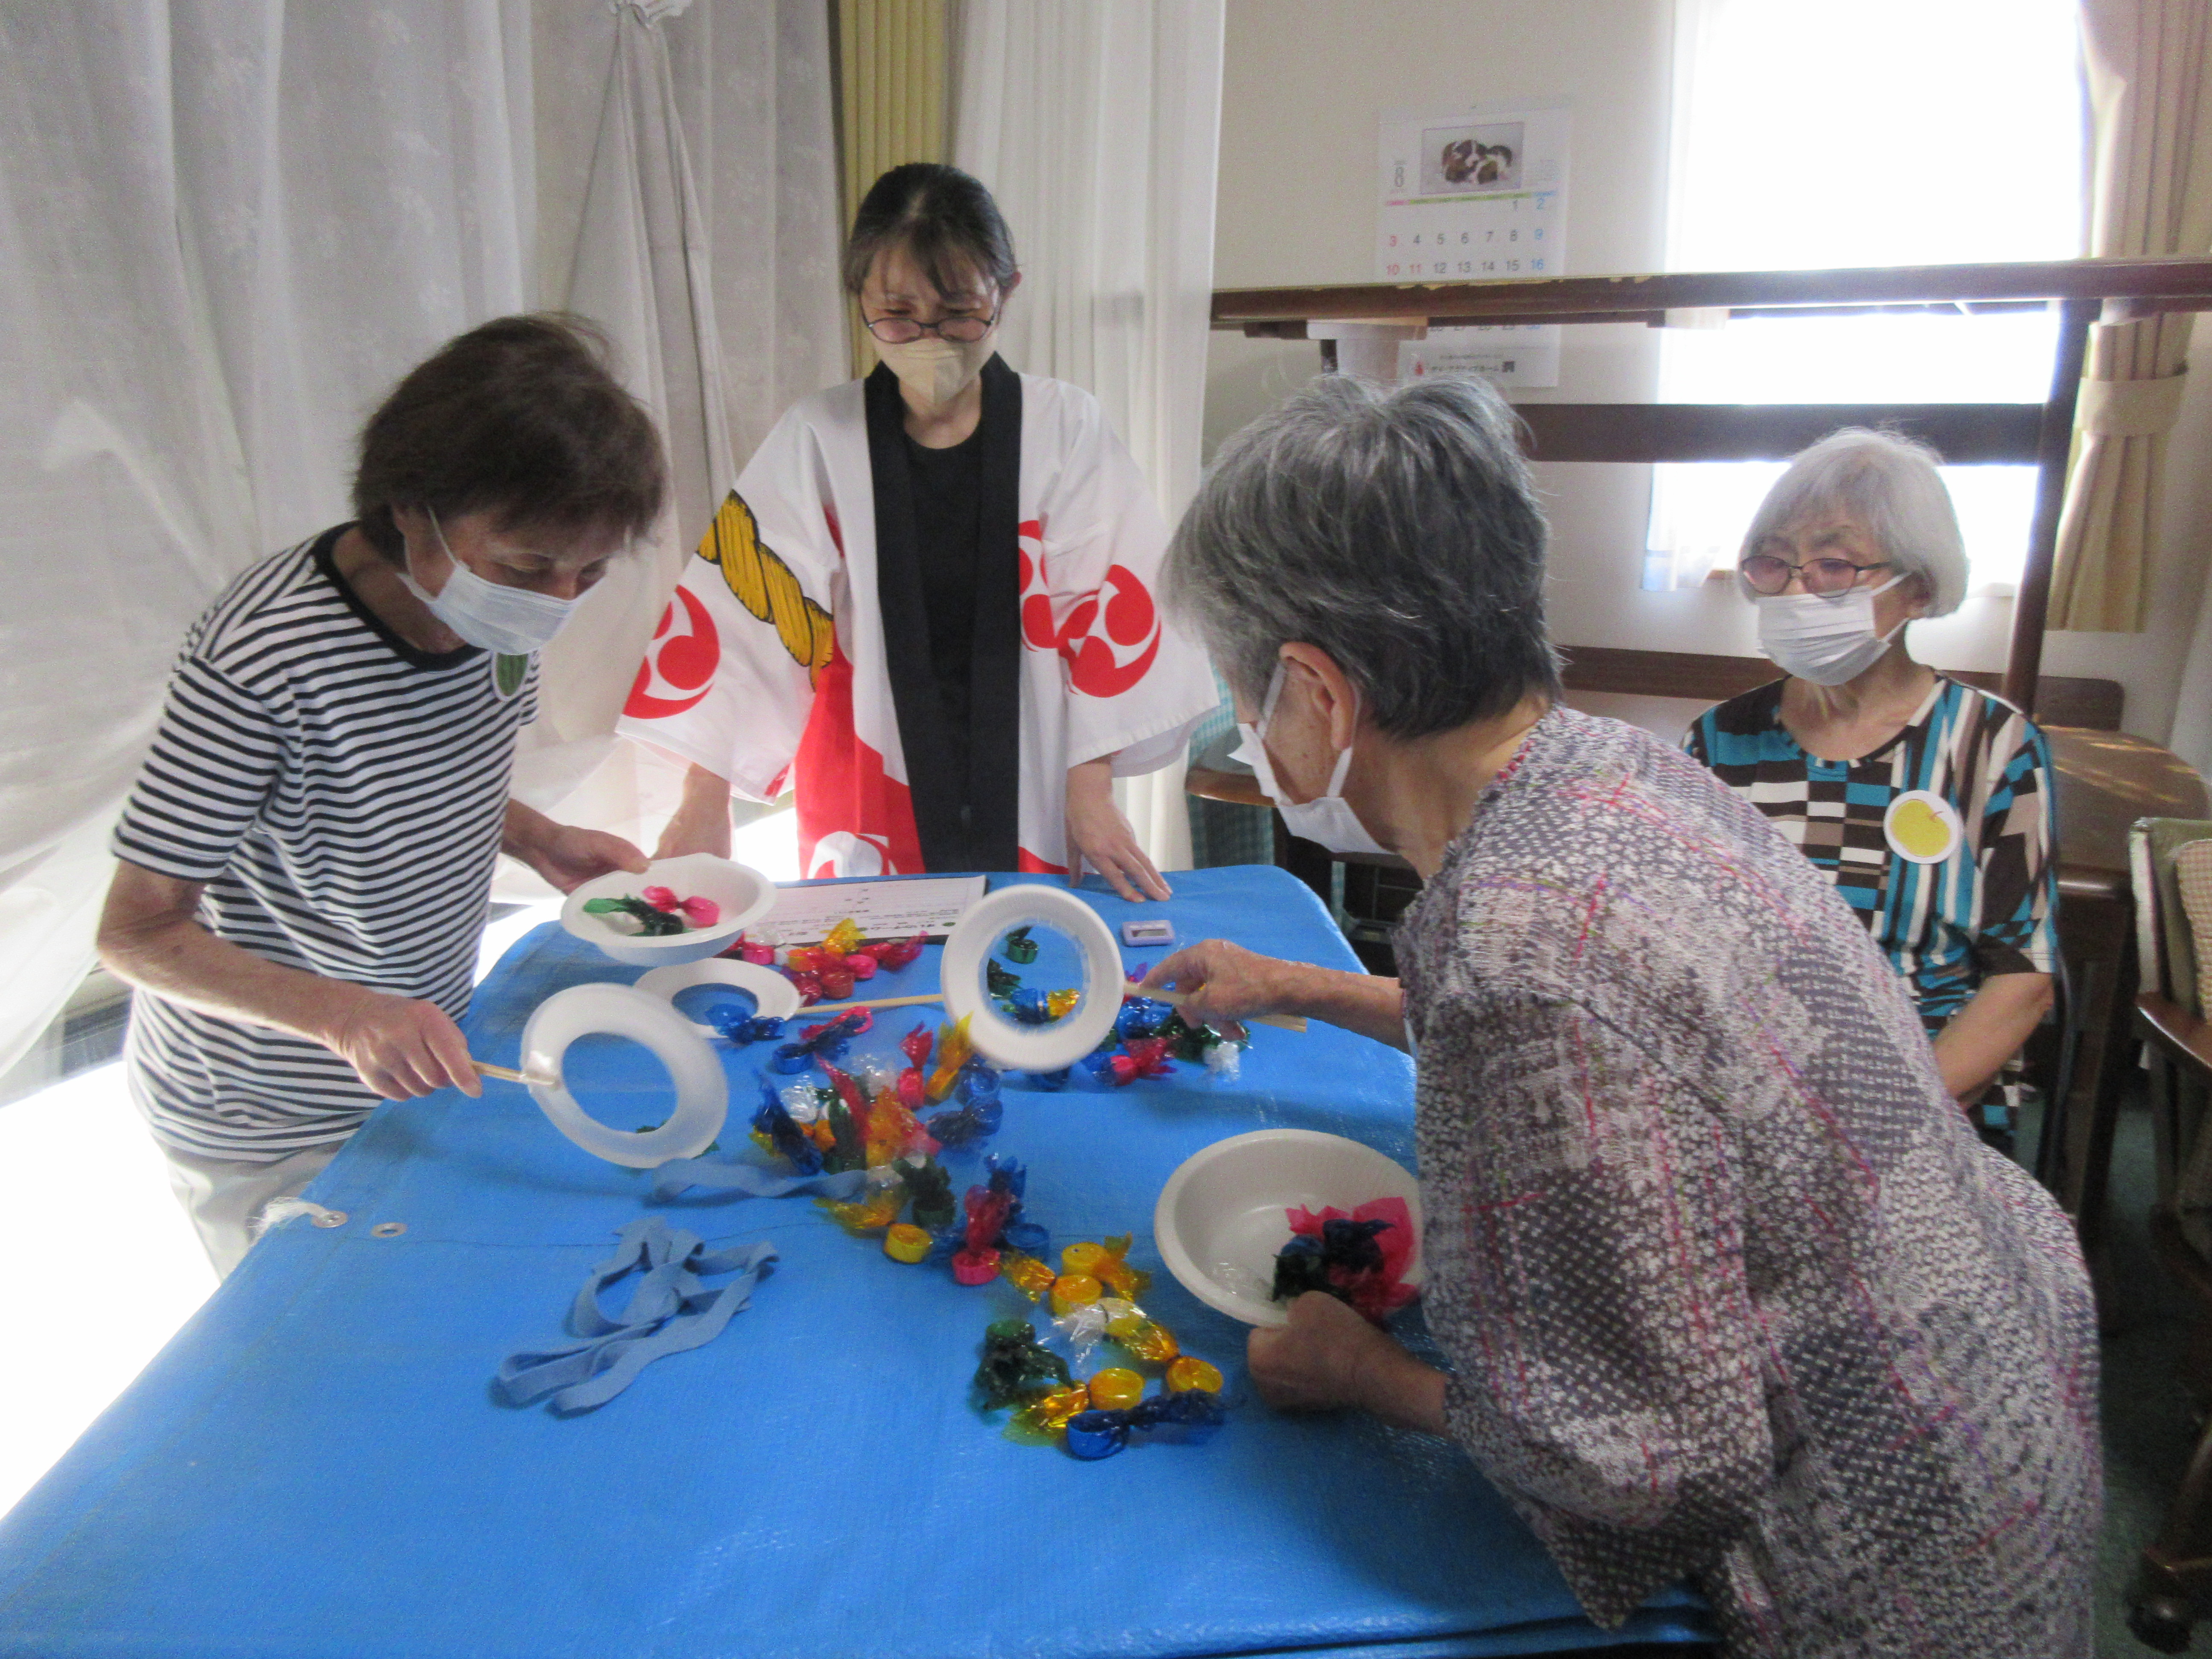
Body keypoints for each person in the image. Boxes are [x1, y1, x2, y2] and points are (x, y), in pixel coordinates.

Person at [1143, 375, 2098, 1655]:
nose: (1248, 737)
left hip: (1911, 1556)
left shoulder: (1521, 946)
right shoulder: (1617, 768)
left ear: (1317, 695)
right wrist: (1299, 986)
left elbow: (1646, 1465)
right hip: (2006, 1386)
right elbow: (1618, 1031)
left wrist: (1363, 1373)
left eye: (1244, 697)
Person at [96, 315, 662, 1276]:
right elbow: (135, 934)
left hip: (419, 1063)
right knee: (325, 1340)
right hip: (267, 1117)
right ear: (412, 509)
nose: (559, 601)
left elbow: (410, 767)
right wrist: (347, 1016)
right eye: (528, 567)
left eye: (591, 573)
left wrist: (537, 836)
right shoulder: (264, 657)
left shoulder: (501, 617)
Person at [620, 163, 1215, 898]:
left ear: (1007, 291)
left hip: (1031, 769)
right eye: (899, 314)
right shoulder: (819, 437)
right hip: (867, 771)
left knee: (1029, 949)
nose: (930, 339)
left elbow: (1108, 612)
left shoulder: (1065, 427)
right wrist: (703, 800)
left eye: (960, 312)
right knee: (868, 952)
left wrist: (1090, 791)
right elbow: (750, 620)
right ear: (860, 299)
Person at [1682, 430, 2058, 1152]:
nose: (1796, 589)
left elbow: (2023, 978)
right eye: (1775, 563)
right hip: (1748, 1101)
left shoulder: (1990, 745)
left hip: (1927, 1105)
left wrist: (1882, 1127)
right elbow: (1686, 943)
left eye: (1833, 565)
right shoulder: (1719, 741)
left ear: (1918, 587)